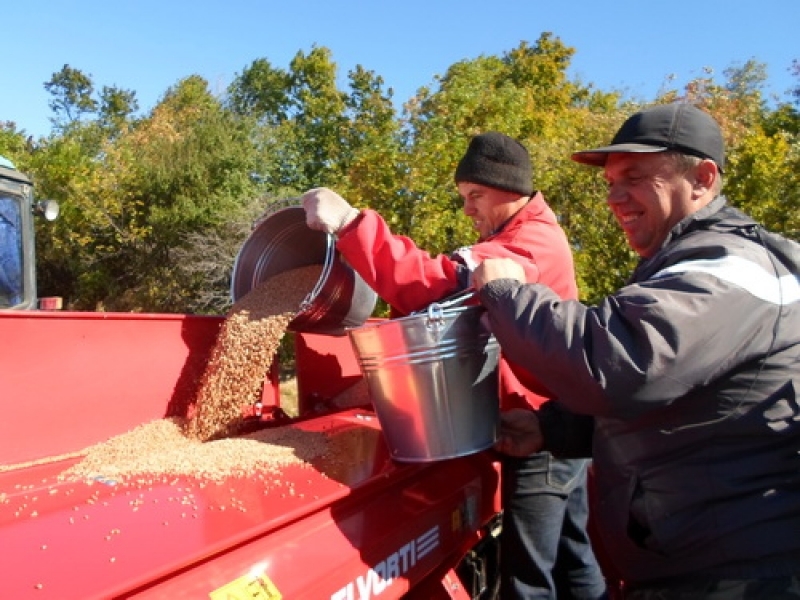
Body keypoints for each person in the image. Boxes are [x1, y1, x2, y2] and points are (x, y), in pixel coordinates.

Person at [471, 104, 800, 599]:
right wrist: (553, 428)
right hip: (698, 560)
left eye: (637, 177)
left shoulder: (727, 267)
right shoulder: (692, 262)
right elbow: (689, 399)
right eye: (609, 183)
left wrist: (507, 294)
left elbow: (622, 363)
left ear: (702, 178)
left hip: (737, 575)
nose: (615, 197)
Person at [300, 132, 608, 599]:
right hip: (556, 418)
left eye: (475, 196)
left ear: (510, 189)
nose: (468, 210)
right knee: (572, 555)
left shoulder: (526, 246)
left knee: (528, 577)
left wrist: (350, 224)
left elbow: (436, 284)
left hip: (541, 432)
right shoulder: (525, 234)